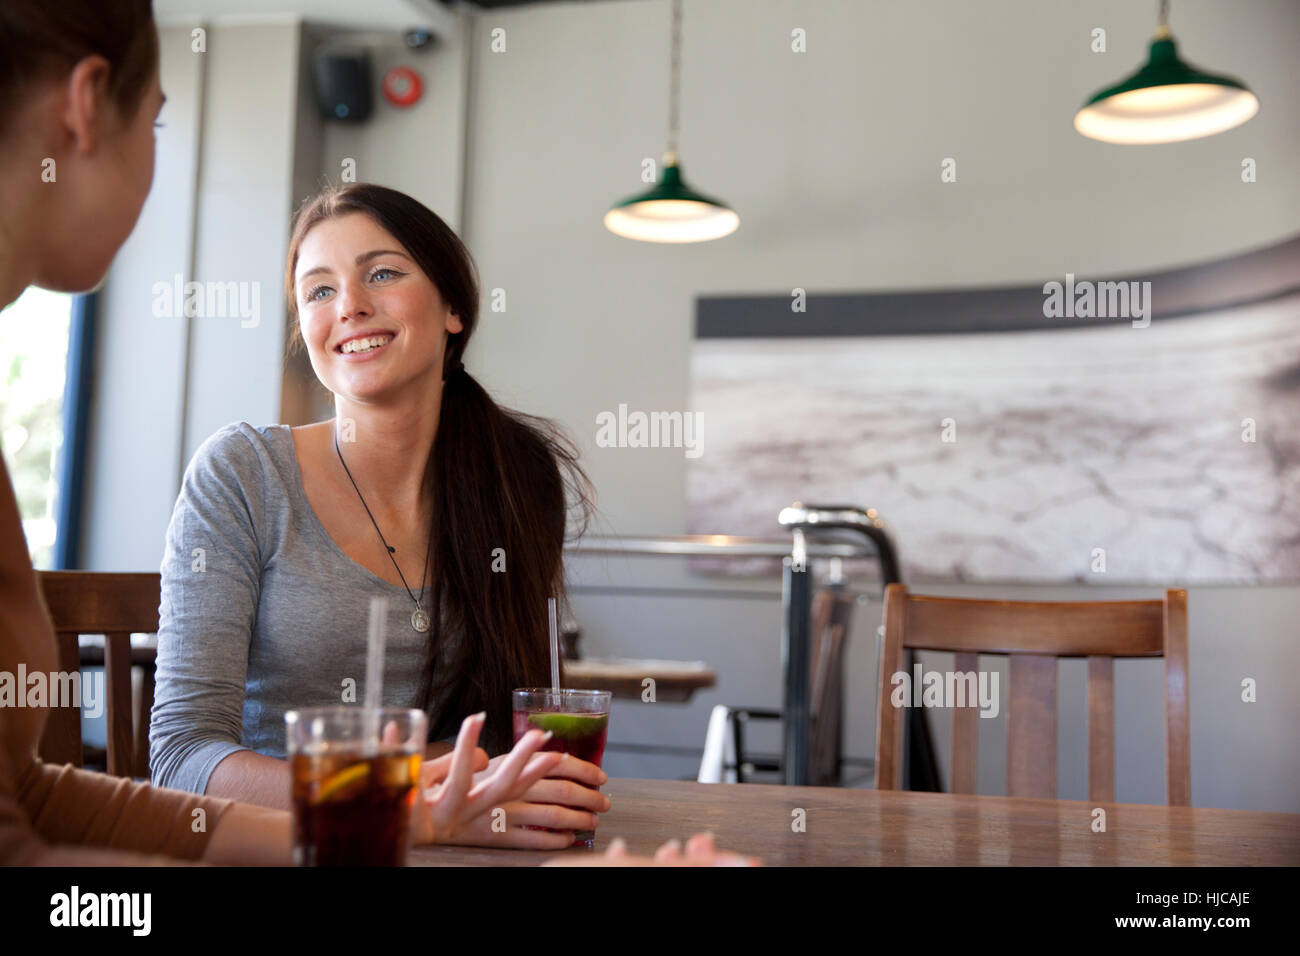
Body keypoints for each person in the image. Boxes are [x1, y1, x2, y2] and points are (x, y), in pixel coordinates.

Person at [0, 0, 754, 867]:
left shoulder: (515, 477)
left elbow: (503, 733)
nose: (346, 305)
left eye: (382, 274)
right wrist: (408, 797)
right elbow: (180, 758)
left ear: (455, 308)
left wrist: (499, 790)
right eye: (316, 291)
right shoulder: (244, 475)